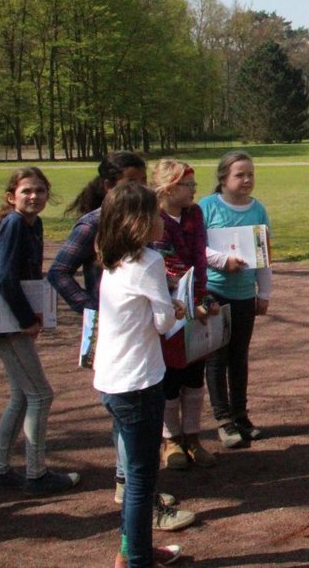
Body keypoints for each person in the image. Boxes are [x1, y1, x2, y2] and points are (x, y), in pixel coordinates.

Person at [47, 152, 194, 531]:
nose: (147, 189)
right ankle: (136, 543)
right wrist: (92, 310)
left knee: (130, 445)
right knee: (139, 465)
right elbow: (60, 271)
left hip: (122, 355)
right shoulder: (113, 240)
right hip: (128, 358)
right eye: (135, 181)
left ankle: (131, 517)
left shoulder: (118, 247)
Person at [95, 181, 187, 567]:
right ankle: (136, 561)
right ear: (139, 221)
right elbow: (165, 321)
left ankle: (132, 551)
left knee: (134, 477)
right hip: (137, 382)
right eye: (155, 212)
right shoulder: (148, 261)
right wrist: (179, 305)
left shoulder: (112, 256)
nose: (162, 219)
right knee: (140, 481)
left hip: (112, 381)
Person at [0, 167, 81, 496]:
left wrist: (35, 315)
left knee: (22, 396)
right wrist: (26, 319)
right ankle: (36, 475)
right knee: (40, 394)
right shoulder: (14, 224)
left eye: (40, 191)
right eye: (27, 191)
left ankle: (0, 470)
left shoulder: (32, 224)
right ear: (12, 197)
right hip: (7, 324)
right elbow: (5, 279)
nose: (34, 196)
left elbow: (27, 278)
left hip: (13, 321)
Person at [200, 151, 273, 449]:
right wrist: (221, 262)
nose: (246, 180)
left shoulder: (259, 210)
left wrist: (264, 292)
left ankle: (241, 414)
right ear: (223, 178)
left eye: (250, 174)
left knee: (239, 356)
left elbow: (263, 255)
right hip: (215, 292)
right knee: (218, 357)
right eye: (239, 175)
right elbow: (196, 250)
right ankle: (223, 418)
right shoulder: (206, 207)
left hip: (245, 294)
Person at [151, 159, 219, 470]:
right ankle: (170, 439)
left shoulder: (195, 213)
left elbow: (199, 259)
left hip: (194, 303)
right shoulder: (154, 217)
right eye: (187, 185)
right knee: (170, 377)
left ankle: (192, 436)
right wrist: (187, 305)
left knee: (194, 375)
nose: (193, 190)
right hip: (167, 307)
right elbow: (168, 266)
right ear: (168, 188)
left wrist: (203, 297)